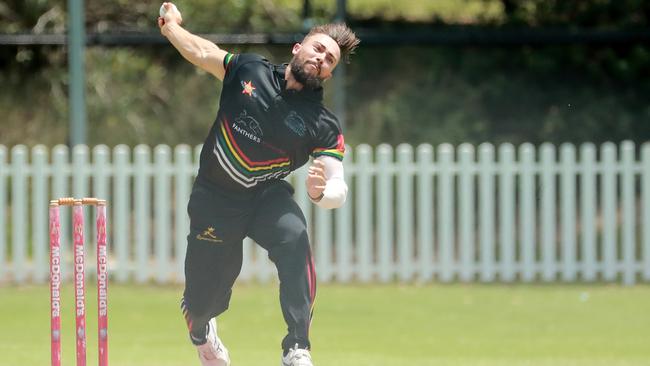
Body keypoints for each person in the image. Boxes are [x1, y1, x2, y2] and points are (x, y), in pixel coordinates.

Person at [157, 3, 360, 366]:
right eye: (318, 49)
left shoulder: (322, 123)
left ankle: (297, 347)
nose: (321, 59)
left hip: (265, 197)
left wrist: (321, 193)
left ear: (329, 74)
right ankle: (203, 333)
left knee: (295, 237)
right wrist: (171, 26)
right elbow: (203, 52)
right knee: (203, 302)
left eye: (329, 60)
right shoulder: (250, 69)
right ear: (298, 47)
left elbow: (337, 185)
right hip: (215, 198)